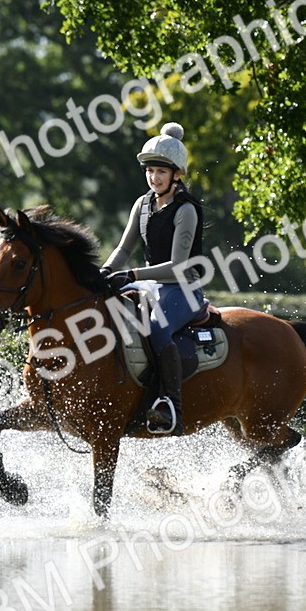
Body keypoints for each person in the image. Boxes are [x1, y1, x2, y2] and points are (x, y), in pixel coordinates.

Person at [100, 122, 206, 436]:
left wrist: (131, 274)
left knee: (157, 329)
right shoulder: (142, 204)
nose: (153, 177)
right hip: (150, 286)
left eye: (161, 172)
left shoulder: (186, 210)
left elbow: (176, 266)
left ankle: (170, 405)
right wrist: (103, 274)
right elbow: (123, 249)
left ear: (177, 175)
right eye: (150, 171)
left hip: (183, 289)